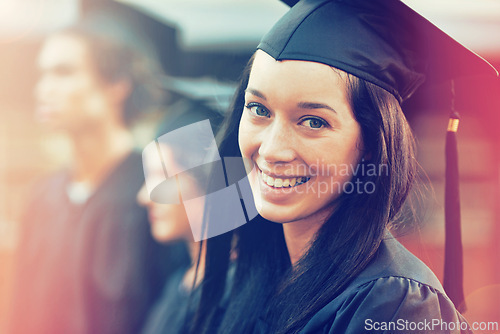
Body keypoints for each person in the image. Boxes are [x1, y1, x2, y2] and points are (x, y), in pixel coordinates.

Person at [190, 0, 498, 333]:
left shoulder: (394, 306)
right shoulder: (252, 277)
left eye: (312, 121)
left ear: (371, 145)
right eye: (259, 110)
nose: (272, 149)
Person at [8, 15, 188, 334]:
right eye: (42, 74)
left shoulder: (156, 193)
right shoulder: (42, 196)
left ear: (117, 84)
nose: (43, 89)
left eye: (63, 72)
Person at [137, 100, 223, 334]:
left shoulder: (234, 297)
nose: (144, 196)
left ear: (207, 178)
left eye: (161, 176)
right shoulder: (179, 282)